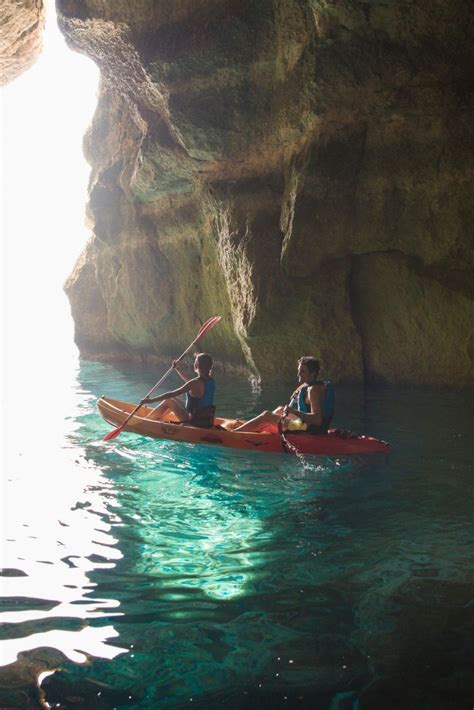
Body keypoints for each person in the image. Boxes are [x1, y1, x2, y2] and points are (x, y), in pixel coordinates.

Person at [233, 356, 334, 434]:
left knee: (266, 415)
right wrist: (302, 388)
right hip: (307, 425)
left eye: (302, 371)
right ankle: (255, 427)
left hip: (306, 429)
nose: (298, 374)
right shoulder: (316, 385)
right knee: (280, 410)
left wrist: (294, 411)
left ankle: (234, 434)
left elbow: (317, 420)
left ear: (312, 374)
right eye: (299, 370)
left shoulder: (313, 391)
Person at [141, 352, 215, 427]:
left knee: (169, 400)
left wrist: (151, 401)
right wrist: (178, 369)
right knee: (174, 399)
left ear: (197, 365)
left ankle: (145, 422)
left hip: (193, 421)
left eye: (195, 361)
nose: (194, 363)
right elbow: (191, 384)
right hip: (206, 420)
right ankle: (155, 418)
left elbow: (171, 394)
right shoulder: (211, 381)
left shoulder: (195, 383)